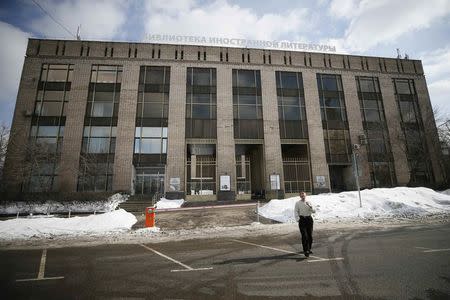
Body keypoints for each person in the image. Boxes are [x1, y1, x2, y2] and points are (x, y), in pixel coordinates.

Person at [294, 191, 315, 257]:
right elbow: (296, 211)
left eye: (304, 195)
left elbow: (314, 211)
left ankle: (309, 248)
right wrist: (298, 219)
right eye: (301, 195)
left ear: (306, 195)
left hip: (309, 220)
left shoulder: (309, 202)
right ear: (300, 196)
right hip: (302, 220)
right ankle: (306, 250)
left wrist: (311, 207)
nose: (303, 196)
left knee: (310, 236)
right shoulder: (297, 203)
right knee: (304, 235)